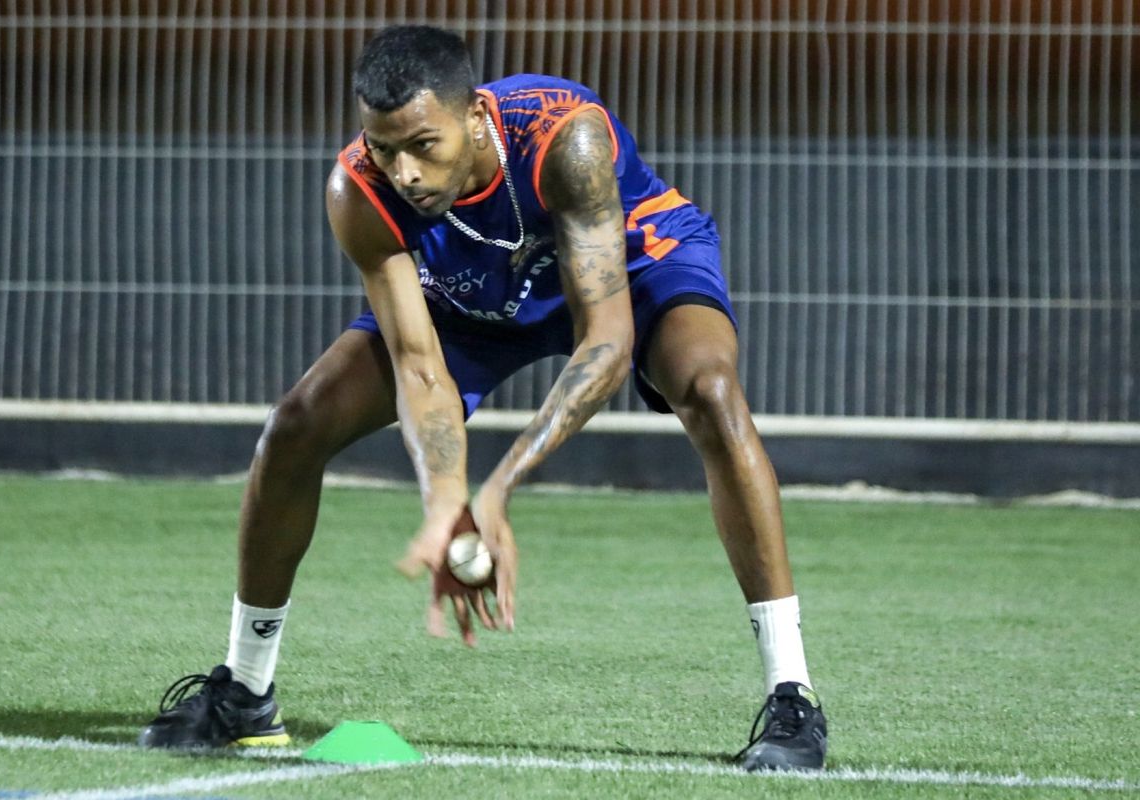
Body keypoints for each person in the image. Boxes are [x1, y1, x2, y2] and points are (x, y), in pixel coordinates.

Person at [138, 24, 828, 771]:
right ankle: (244, 691)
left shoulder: (567, 139)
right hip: (467, 296)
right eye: (383, 146)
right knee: (295, 425)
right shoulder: (357, 190)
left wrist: (497, 490)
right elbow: (418, 366)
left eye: (422, 145)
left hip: (624, 265)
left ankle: (793, 699)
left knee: (710, 388)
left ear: (475, 119)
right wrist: (446, 503)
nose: (403, 170)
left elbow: (607, 340)